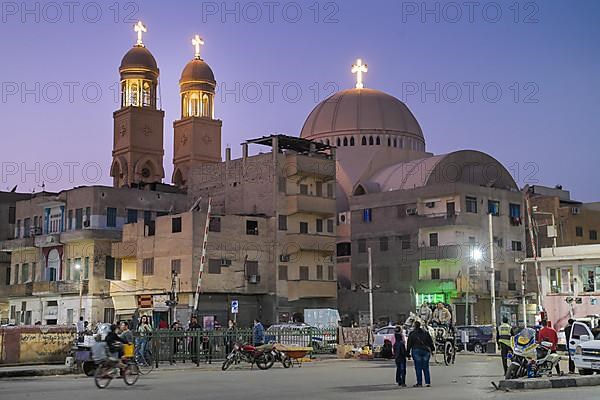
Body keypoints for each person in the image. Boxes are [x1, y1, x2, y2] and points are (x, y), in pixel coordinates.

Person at [407, 320, 435, 387]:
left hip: (416, 350)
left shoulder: (412, 334)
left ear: (414, 326)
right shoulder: (425, 332)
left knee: (418, 367)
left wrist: (407, 353)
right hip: (426, 350)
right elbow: (430, 342)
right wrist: (433, 350)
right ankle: (427, 382)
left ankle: (419, 383)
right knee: (426, 367)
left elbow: (409, 344)